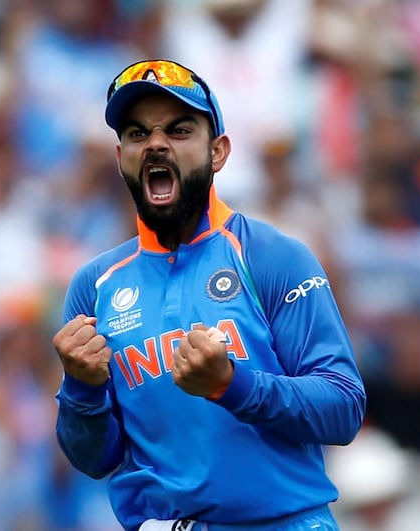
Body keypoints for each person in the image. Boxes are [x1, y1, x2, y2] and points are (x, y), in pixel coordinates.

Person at [52, 59, 367, 531]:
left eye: (179, 130)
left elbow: (343, 408)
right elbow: (94, 459)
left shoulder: (273, 257)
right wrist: (81, 388)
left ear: (218, 152)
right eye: (138, 134)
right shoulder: (95, 285)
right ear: (121, 159)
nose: (156, 143)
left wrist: (231, 385)